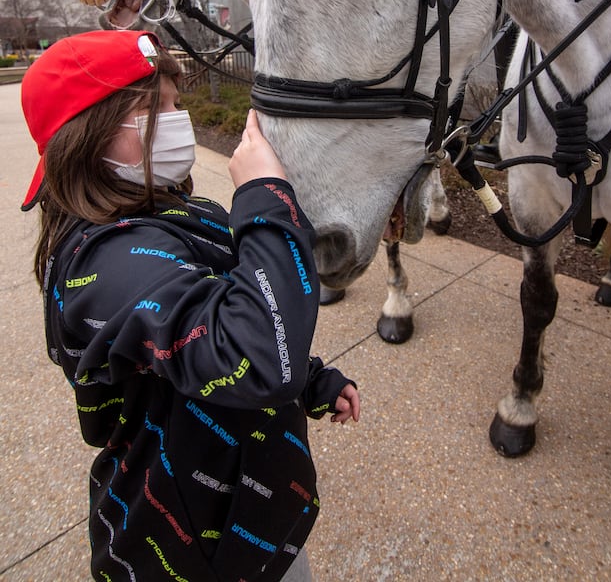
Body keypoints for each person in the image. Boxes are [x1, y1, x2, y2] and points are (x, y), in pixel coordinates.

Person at [20, 30, 360, 582]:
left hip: (257, 519)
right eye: (155, 108)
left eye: (177, 104)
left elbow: (225, 314)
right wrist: (265, 196)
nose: (177, 121)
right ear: (88, 133)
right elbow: (252, 357)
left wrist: (312, 379)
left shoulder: (171, 211)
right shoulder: (103, 264)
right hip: (187, 550)